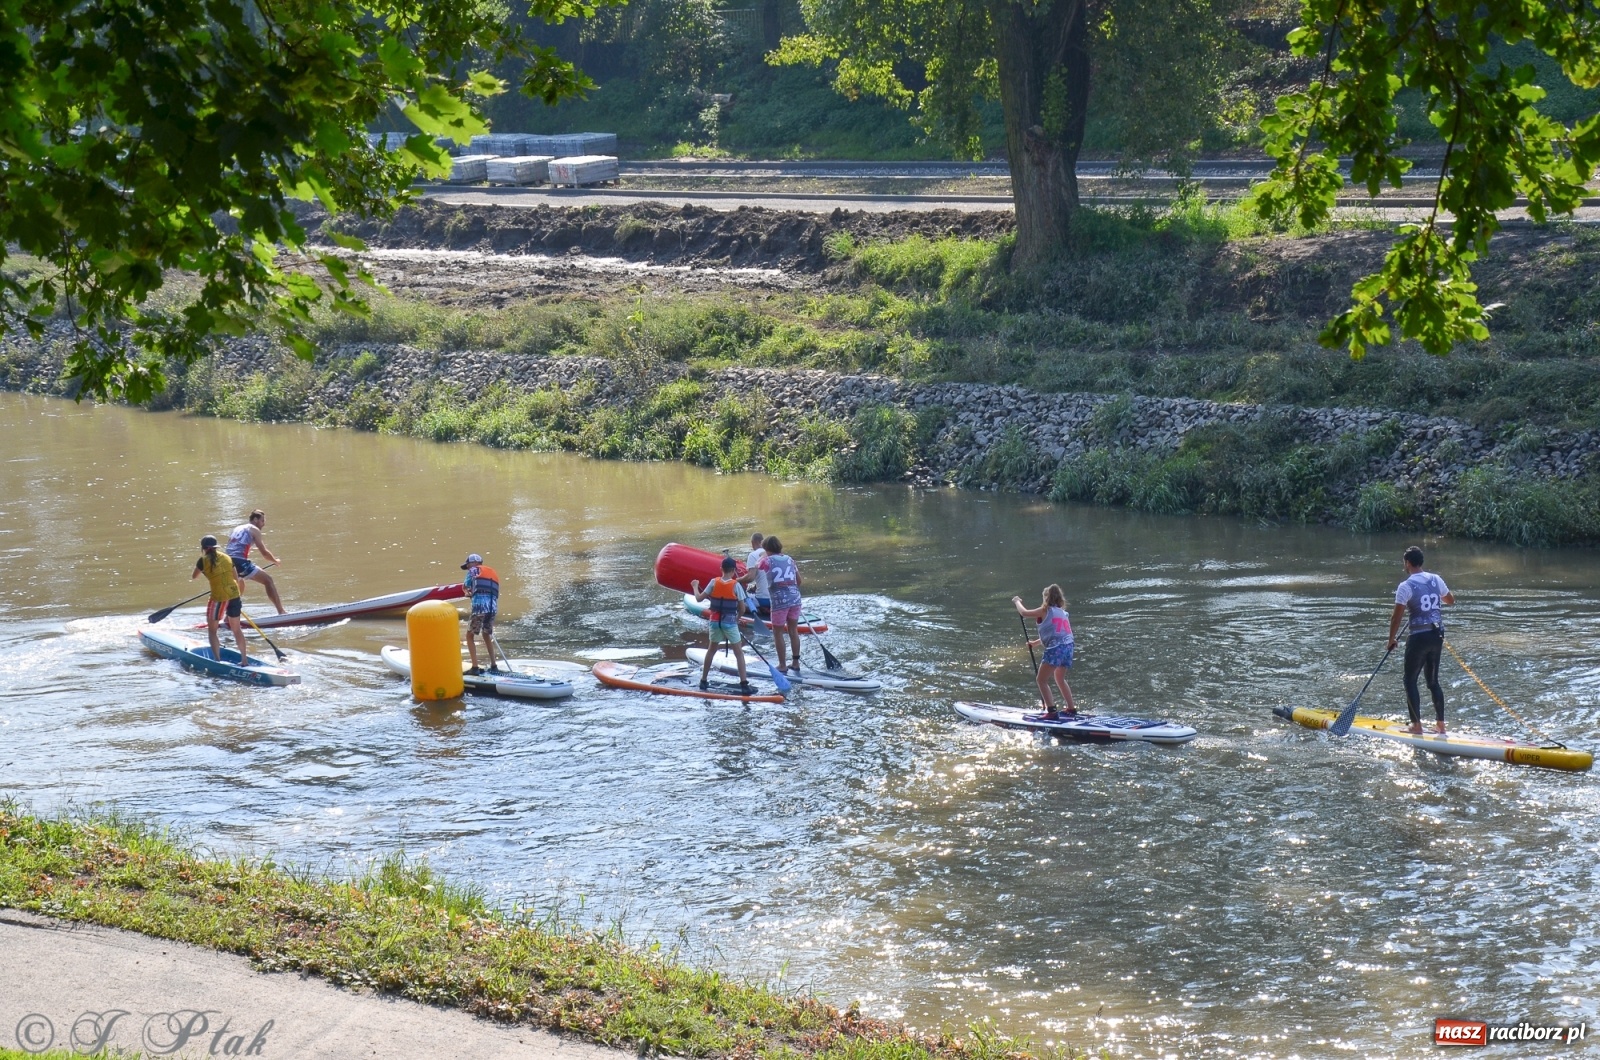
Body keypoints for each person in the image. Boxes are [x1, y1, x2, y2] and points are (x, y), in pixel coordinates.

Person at [1388, 545, 1454, 734]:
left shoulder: (1405, 586)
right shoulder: (1436, 579)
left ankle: (1416, 725)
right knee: (1433, 682)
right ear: (1421, 562)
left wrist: (1391, 639)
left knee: (1410, 680)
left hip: (1418, 637)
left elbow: (1396, 617)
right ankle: (1441, 725)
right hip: (1437, 635)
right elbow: (1450, 600)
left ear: (1407, 563)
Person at [691, 557, 755, 694]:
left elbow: (698, 598)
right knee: (738, 653)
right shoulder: (736, 585)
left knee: (711, 650)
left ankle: (703, 680)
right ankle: (744, 684)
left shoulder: (713, 582)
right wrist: (736, 619)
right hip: (730, 623)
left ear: (721, 569)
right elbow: (742, 609)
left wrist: (695, 586)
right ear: (733, 571)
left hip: (715, 622)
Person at [1013, 585, 1077, 717]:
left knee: (1041, 680)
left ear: (1046, 598)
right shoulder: (1063, 613)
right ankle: (1071, 708)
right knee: (1060, 678)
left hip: (1056, 649)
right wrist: (1035, 643)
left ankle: (1052, 711)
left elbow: (1024, 613)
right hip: (1068, 647)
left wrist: (1017, 601)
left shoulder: (1045, 610)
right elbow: (1055, 634)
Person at [192, 534, 250, 664]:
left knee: (212, 631)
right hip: (234, 595)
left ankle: (217, 660)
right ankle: (244, 660)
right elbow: (236, 578)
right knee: (236, 629)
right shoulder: (227, 558)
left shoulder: (203, 560)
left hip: (218, 597)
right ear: (216, 547)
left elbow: (194, 576)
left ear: (204, 548)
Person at [224, 509, 285, 614]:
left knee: (240, 584)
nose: (263, 524)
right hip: (239, 562)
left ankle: (229, 616)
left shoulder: (238, 528)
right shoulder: (254, 529)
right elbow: (264, 553)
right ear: (255, 519)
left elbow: (230, 546)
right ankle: (281, 612)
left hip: (227, 562)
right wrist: (275, 561)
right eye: (262, 521)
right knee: (268, 580)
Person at [761, 536, 803, 675]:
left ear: (767, 549)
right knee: (793, 631)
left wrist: (761, 555)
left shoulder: (766, 560)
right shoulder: (790, 559)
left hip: (779, 602)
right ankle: (795, 663)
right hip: (795, 599)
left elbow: (755, 568)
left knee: (777, 633)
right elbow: (799, 581)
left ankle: (782, 665)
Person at [460, 553, 503, 675]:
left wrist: (467, 592)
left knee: (469, 636)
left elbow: (465, 586)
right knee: (486, 635)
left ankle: (475, 668)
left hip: (480, 608)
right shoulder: (492, 572)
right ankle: (494, 666)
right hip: (492, 608)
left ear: (472, 564)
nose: (468, 568)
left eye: (468, 565)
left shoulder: (473, 571)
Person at [742, 531, 772, 622]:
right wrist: (755, 587)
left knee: (737, 602)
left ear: (753, 542)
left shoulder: (753, 555)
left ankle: (760, 611)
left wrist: (738, 580)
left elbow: (750, 577)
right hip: (777, 599)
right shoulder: (772, 554)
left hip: (764, 600)